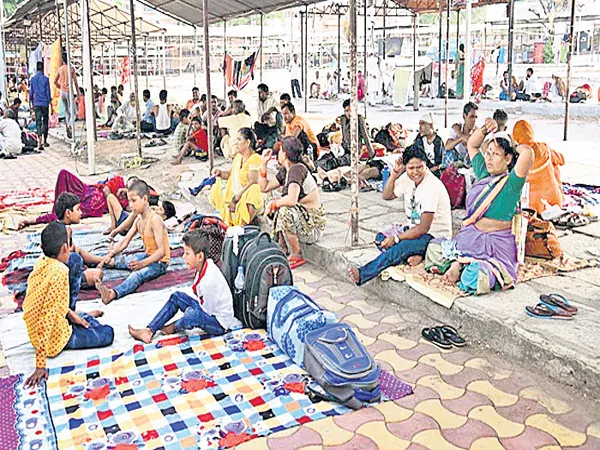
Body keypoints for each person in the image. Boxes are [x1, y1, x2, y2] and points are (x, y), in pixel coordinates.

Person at [425, 118, 534, 295]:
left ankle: (460, 265)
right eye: (488, 153)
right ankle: (460, 263)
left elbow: (527, 153)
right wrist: (485, 129)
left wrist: (513, 145)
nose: (489, 158)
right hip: (471, 237)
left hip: (495, 244)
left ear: (508, 159)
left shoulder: (512, 183)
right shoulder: (484, 174)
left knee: (477, 276)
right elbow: (473, 146)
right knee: (434, 248)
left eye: (496, 154)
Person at [23, 222, 114, 388]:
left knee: (76, 260)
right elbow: (46, 318)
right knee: (108, 333)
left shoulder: (41, 262)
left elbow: (46, 301)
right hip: (53, 339)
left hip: (40, 326)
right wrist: (40, 365)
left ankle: (78, 318)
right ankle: (82, 320)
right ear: (65, 247)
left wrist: (71, 314)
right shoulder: (59, 273)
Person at [348, 147, 452, 286]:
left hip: (434, 236)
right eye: (411, 168)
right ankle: (414, 255)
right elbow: (387, 195)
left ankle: (363, 274)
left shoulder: (432, 186)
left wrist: (397, 238)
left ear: (425, 164)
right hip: (414, 230)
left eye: (419, 167)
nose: (415, 172)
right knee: (381, 238)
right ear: (406, 167)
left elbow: (423, 228)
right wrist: (395, 173)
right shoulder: (407, 179)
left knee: (399, 246)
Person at [128, 229, 238, 343]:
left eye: (187, 253)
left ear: (200, 256)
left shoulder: (209, 281)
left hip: (219, 323)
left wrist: (181, 321)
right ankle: (149, 330)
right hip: (207, 310)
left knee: (191, 315)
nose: (183, 257)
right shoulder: (204, 265)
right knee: (176, 297)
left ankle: (173, 327)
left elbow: (205, 313)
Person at [95, 180, 170, 304]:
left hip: (159, 263)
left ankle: (112, 293)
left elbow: (161, 252)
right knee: (123, 260)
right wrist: (110, 255)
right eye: (129, 201)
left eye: (133, 201)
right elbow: (125, 241)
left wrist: (142, 264)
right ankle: (98, 263)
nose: (130, 205)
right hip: (148, 256)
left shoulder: (155, 220)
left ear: (145, 199)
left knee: (137, 275)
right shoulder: (139, 219)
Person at [259, 137, 326, 269]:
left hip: (313, 226)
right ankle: (282, 243)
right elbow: (264, 187)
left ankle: (297, 253)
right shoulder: (287, 169)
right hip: (302, 219)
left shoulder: (296, 170)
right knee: (269, 196)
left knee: (284, 209)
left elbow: (291, 200)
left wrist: (274, 204)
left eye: (280, 150)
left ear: (284, 154)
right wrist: (263, 164)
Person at [18, 169, 125, 228]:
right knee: (63, 174)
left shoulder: (126, 201)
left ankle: (46, 216)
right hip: (87, 190)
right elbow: (106, 189)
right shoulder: (119, 182)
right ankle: (56, 210)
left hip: (91, 204)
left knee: (63, 214)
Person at [209, 128, 263, 227]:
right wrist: (220, 173)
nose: (235, 143)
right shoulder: (238, 157)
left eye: (239, 140)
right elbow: (231, 174)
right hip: (236, 193)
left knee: (254, 191)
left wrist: (237, 197)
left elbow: (253, 181)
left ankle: (243, 226)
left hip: (246, 194)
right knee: (215, 187)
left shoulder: (255, 159)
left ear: (247, 143)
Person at [512, 120, 565, 215]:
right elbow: (562, 160)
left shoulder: (514, 155)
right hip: (554, 203)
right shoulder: (543, 148)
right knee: (554, 164)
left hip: (527, 207)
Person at [54, 52, 79, 138]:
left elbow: (54, 81)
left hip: (62, 92)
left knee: (67, 111)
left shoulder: (60, 69)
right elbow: (75, 83)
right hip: (69, 91)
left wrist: (59, 86)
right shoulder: (71, 69)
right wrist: (78, 94)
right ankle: (70, 125)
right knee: (74, 112)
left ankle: (68, 124)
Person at [29, 61, 51, 150]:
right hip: (44, 103)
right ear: (42, 69)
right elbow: (48, 93)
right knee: (45, 121)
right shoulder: (46, 79)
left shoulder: (33, 79)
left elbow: (31, 92)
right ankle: (45, 141)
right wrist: (49, 101)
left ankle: (39, 141)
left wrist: (31, 101)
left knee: (38, 121)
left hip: (37, 103)